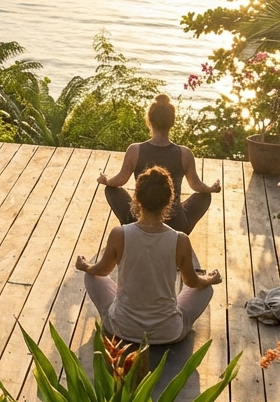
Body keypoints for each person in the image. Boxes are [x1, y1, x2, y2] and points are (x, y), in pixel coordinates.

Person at [75, 166, 222, 344]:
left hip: (122, 328)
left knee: (91, 277)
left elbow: (102, 270)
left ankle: (124, 311)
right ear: (169, 201)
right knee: (205, 288)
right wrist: (209, 279)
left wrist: (85, 266)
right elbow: (192, 282)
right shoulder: (180, 240)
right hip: (167, 333)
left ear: (137, 199)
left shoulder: (119, 234)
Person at [97, 94, 220, 234]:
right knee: (204, 196)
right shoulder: (184, 154)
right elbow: (196, 185)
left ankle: (132, 228)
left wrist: (106, 180)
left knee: (111, 190)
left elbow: (119, 180)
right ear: (172, 123)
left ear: (149, 121)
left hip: (139, 218)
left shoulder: (135, 150)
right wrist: (210, 188)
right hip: (174, 223)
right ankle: (179, 233)